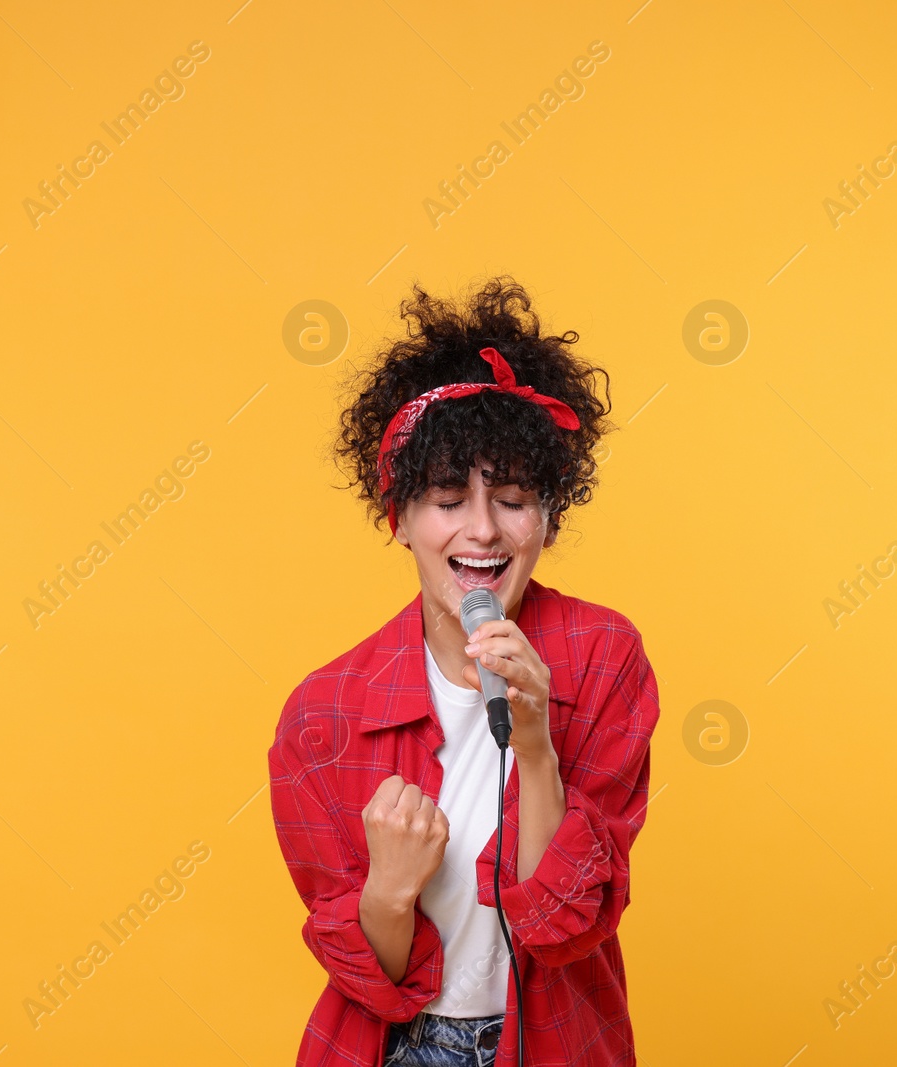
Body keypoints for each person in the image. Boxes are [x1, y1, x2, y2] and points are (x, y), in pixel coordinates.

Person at [268, 278, 660, 1066]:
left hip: (550, 1043)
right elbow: (372, 979)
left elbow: (562, 927)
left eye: (513, 498)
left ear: (549, 513)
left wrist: (540, 744)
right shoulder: (324, 713)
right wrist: (387, 887)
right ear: (401, 517)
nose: (482, 529)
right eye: (447, 499)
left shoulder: (603, 655)